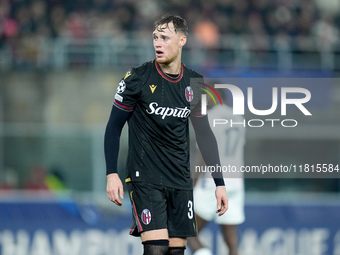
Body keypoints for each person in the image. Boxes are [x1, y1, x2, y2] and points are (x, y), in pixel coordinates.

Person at [104, 14, 228, 255]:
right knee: (156, 250)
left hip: (180, 180)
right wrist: (111, 174)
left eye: (164, 38)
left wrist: (219, 183)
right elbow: (113, 127)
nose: (157, 43)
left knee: (175, 251)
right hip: (145, 178)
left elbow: (205, 135)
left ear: (182, 40)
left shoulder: (195, 83)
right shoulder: (137, 78)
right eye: (155, 38)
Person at [188, 92, 246, 255]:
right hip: (235, 181)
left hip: (212, 181)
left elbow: (204, 156)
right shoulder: (239, 118)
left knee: (187, 230)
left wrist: (190, 185)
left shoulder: (210, 118)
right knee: (231, 240)